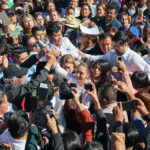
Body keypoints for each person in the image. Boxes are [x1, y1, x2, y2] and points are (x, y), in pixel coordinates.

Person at [81, 31, 150, 80]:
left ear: (125, 44)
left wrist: (128, 73)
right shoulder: (112, 53)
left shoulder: (134, 58)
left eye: (118, 46)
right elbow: (96, 58)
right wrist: (82, 55)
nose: (115, 49)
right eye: (114, 46)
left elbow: (148, 74)